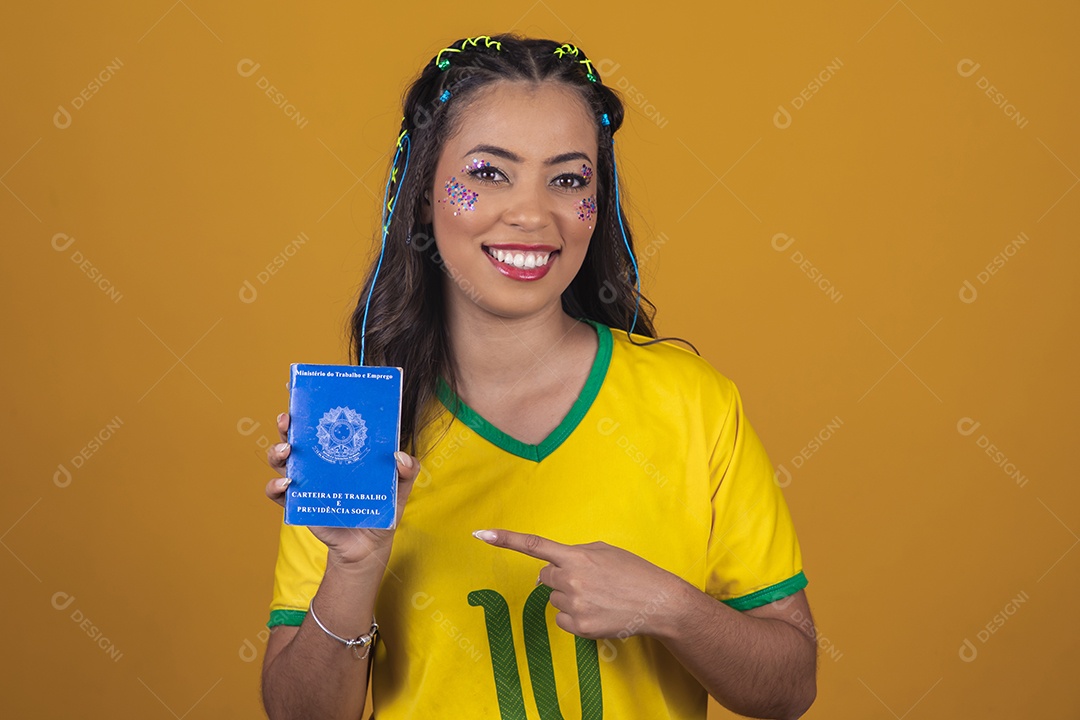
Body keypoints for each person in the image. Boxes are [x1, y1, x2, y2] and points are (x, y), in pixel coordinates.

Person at [260, 34, 817, 720]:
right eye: (490, 173)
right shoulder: (356, 431)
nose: (531, 214)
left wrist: (670, 607)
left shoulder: (693, 402)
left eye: (568, 178)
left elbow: (790, 688)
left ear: (597, 200)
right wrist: (352, 570)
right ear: (424, 193)